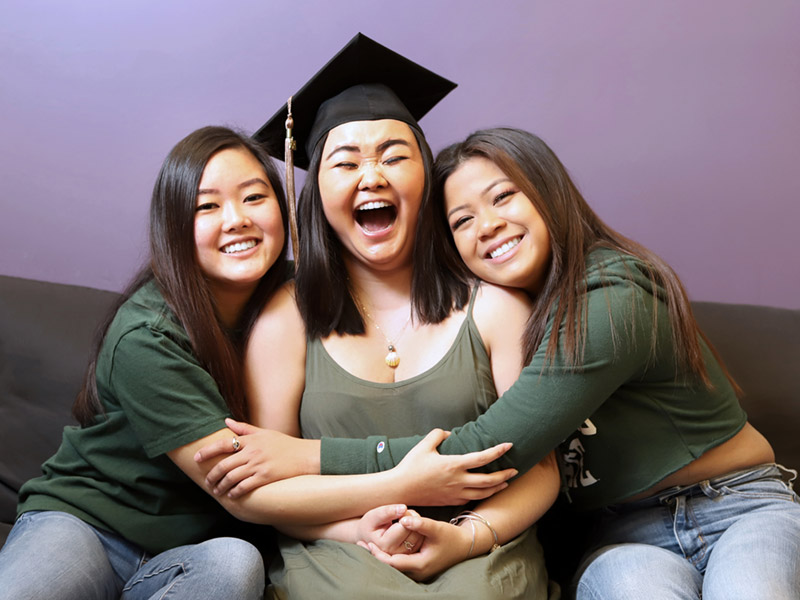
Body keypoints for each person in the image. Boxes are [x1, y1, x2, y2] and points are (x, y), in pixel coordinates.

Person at [0, 125, 513, 600]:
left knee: (235, 564)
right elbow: (246, 487)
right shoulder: (147, 335)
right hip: (91, 525)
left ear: (282, 206)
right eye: (207, 207)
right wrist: (406, 481)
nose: (237, 219)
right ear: (175, 225)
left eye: (253, 197)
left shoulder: (302, 300)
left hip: (196, 551)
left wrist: (357, 527)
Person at [366, 126, 800, 598]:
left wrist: (307, 460)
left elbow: (490, 447)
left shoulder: (613, 292)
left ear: (549, 195)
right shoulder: (494, 330)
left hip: (737, 506)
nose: (487, 225)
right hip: (621, 538)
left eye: (504, 196)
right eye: (462, 221)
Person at [202, 34, 561, 599]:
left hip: (480, 546)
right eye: (346, 163)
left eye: (394, 157)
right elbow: (267, 484)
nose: (372, 176)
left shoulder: (494, 307)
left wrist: (467, 534)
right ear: (317, 190)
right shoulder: (285, 319)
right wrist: (358, 523)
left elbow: (540, 470)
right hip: (337, 548)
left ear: (428, 180)